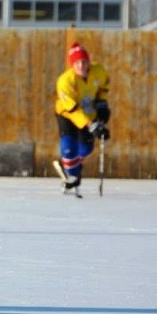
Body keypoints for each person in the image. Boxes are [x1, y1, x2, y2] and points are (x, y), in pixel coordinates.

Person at [52, 43, 111, 198]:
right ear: (72, 64)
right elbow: (72, 110)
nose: (81, 66)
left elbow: (103, 89)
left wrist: (102, 105)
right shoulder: (65, 81)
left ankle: (66, 165)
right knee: (69, 147)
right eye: (77, 63)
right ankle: (73, 177)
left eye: (84, 62)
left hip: (88, 113)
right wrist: (92, 125)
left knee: (86, 148)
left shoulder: (99, 72)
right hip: (67, 115)